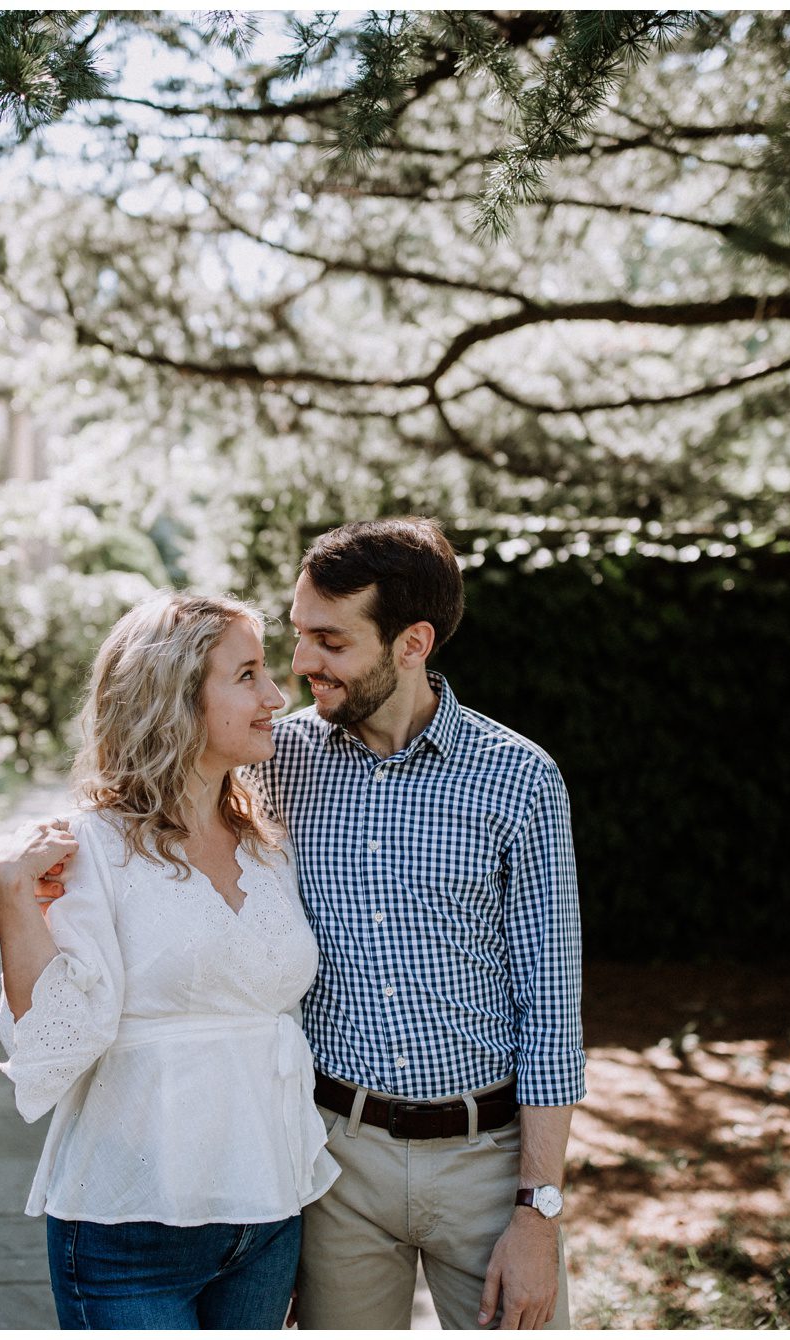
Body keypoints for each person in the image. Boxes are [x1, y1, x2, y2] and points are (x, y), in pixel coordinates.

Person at [246, 516, 585, 1330]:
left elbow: (552, 1008)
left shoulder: (520, 779)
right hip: (334, 1160)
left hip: (487, 1157)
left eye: (330, 641)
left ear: (412, 642)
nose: (301, 665)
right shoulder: (274, 763)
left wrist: (538, 1214)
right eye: (299, 635)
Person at [0, 590, 340, 1330]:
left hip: (268, 1216)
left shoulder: (268, 845)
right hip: (129, 1230)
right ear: (174, 695)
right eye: (247, 675)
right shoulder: (92, 849)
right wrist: (12, 898)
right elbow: (52, 1050)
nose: (277, 696)